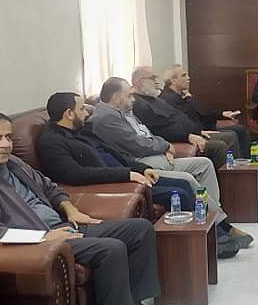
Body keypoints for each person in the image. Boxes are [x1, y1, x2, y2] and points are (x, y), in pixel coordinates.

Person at [0, 111, 175, 305]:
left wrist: (70, 209)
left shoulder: (13, 164)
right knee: (110, 249)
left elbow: (49, 186)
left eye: (8, 137)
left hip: (64, 227)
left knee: (140, 229)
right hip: (41, 246)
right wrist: (44, 238)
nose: (5, 144)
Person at [36, 92, 243, 258]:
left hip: (129, 175)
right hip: (115, 184)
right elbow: (75, 174)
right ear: (68, 113)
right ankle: (213, 241)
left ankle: (214, 233)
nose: (86, 113)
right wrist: (127, 174)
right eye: (81, 109)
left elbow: (117, 154)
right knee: (179, 191)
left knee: (185, 185)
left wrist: (141, 168)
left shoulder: (82, 131)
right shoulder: (51, 141)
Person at [89, 77, 253, 249]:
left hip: (156, 155)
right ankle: (220, 226)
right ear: (116, 98)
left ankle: (214, 218)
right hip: (143, 161)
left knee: (204, 165)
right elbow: (138, 145)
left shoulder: (122, 112)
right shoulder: (106, 118)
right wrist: (166, 145)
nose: (133, 99)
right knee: (187, 179)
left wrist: (164, 145)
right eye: (129, 95)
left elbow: (149, 134)